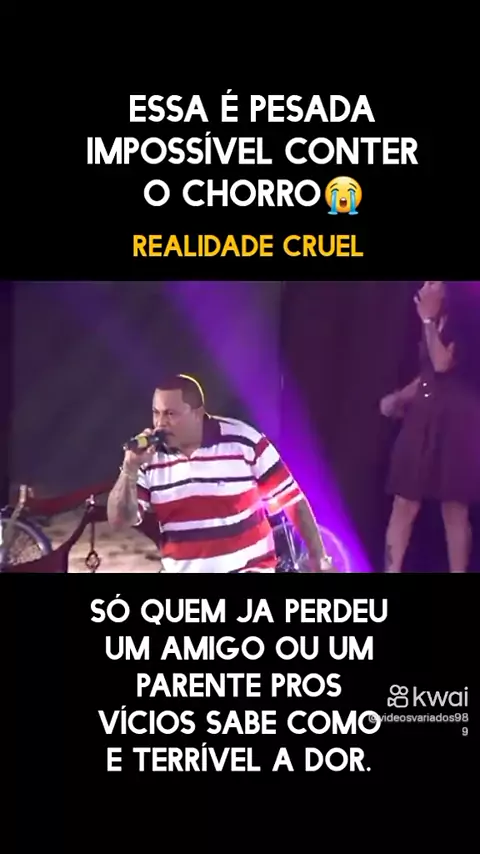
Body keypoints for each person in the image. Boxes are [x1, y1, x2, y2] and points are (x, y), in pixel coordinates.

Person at [107, 374, 335, 573]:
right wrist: (129, 468)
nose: (160, 424)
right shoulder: (149, 458)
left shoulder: (244, 442)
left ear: (197, 413)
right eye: (156, 413)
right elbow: (119, 520)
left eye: (171, 414)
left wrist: (319, 559)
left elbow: (292, 500)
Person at [380, 281, 480, 573]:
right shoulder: (436, 319)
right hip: (424, 418)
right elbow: (427, 376)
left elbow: (442, 363)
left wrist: (426, 320)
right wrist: (398, 398)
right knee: (404, 503)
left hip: (458, 422)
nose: (425, 287)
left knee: (454, 508)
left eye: (433, 282)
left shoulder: (467, 319)